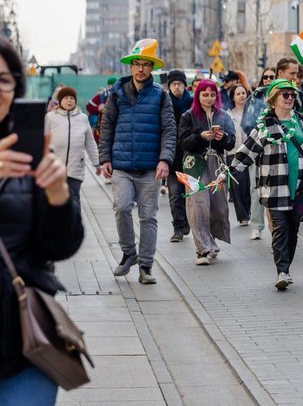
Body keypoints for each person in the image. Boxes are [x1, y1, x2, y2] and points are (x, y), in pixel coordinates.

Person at [0, 32, 84, 403]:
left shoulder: (25, 153)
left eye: (4, 79)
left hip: (23, 350)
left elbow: (59, 247)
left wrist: (58, 195)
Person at [99, 39, 177, 285]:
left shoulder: (161, 96)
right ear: (131, 67)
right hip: (121, 165)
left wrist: (165, 160)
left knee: (148, 217)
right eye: (136, 64)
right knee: (121, 208)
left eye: (145, 64)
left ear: (151, 68)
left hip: (150, 168)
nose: (140, 69)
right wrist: (104, 158)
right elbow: (107, 126)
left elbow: (169, 129)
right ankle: (128, 253)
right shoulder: (117, 93)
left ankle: (146, 265)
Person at [229, 79, 303, 290]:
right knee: (279, 229)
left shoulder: (302, 122)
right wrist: (228, 174)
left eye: (292, 95)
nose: (289, 98)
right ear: (273, 99)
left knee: (293, 230)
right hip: (274, 186)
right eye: (284, 95)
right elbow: (246, 152)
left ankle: (286, 268)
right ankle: (282, 271)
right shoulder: (264, 125)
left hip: (299, 186)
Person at [178, 79, 235, 265]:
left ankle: (210, 239)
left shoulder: (224, 116)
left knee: (218, 207)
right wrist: (200, 136)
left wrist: (222, 137)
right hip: (194, 164)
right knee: (198, 204)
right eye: (205, 94)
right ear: (198, 95)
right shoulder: (188, 116)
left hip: (217, 165)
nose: (209, 98)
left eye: (212, 95)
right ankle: (201, 249)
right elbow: (183, 142)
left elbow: (231, 142)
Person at [45, 86, 99, 207]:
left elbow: (90, 143)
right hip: (55, 169)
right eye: (66, 98)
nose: (69, 100)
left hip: (75, 169)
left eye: (71, 98)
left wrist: (97, 163)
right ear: (60, 101)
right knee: (55, 202)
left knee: (74, 201)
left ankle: (74, 225)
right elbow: (42, 141)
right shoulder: (50, 117)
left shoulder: (83, 118)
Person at [165, 69, 193, 242]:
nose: (177, 87)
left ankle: (189, 222)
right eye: (174, 84)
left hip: (190, 156)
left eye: (180, 84)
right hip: (171, 156)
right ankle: (178, 227)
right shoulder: (164, 102)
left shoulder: (191, 103)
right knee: (175, 194)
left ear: (184, 85)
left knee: (190, 194)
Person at [225, 84, 252, 226]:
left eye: (243, 93)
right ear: (233, 97)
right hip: (234, 153)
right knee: (237, 187)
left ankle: (249, 212)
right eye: (238, 93)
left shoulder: (252, 112)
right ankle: (242, 216)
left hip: (251, 153)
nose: (242, 96)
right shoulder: (228, 115)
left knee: (249, 185)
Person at [276, 56, 303, 121]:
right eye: (292, 73)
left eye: (296, 74)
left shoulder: (298, 94)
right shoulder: (263, 93)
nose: (295, 77)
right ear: (280, 73)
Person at [85, 75, 116, 144]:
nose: (113, 87)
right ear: (108, 85)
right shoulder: (102, 96)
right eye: (112, 85)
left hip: (117, 132)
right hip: (100, 133)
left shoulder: (122, 97)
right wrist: (98, 108)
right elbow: (88, 106)